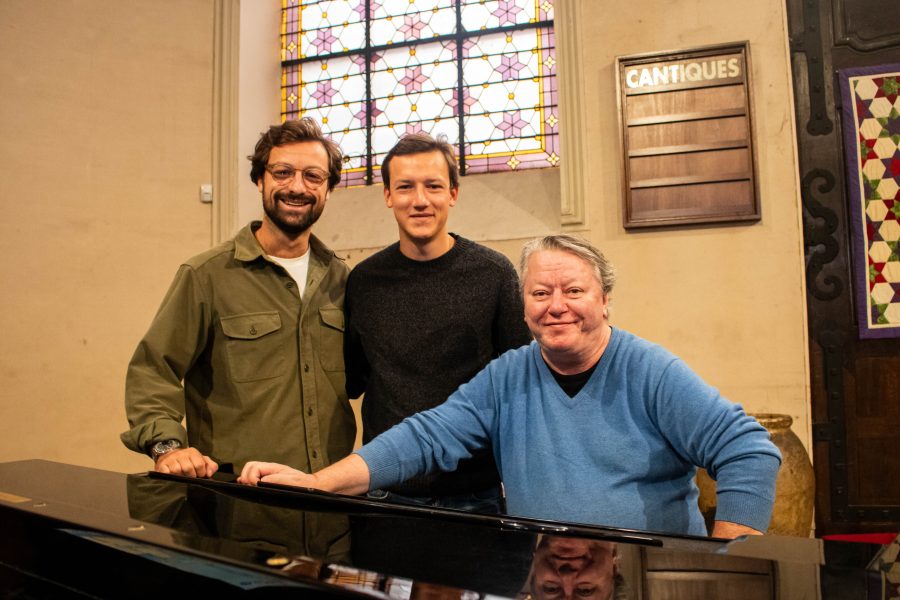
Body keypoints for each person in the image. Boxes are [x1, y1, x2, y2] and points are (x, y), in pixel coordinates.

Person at [239, 234, 782, 538]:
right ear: (523, 307)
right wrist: (318, 484)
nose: (557, 305)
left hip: (639, 579)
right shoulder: (508, 375)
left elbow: (747, 448)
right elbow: (427, 436)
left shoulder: (650, 370)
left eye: (574, 289)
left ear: (604, 300)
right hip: (542, 576)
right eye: (540, 292)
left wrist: (729, 560)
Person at [121, 118, 355, 478]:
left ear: (329, 188)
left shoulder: (343, 280)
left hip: (330, 491)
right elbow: (154, 369)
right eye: (282, 172)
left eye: (313, 176)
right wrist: (168, 448)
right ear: (259, 179)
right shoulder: (206, 275)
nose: (297, 186)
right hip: (239, 498)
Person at [343, 133, 532, 511]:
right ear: (387, 196)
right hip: (386, 492)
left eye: (433, 186)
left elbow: (520, 382)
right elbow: (354, 379)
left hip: (475, 492)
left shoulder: (493, 273)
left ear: (453, 193)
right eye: (405, 187)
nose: (420, 200)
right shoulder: (363, 281)